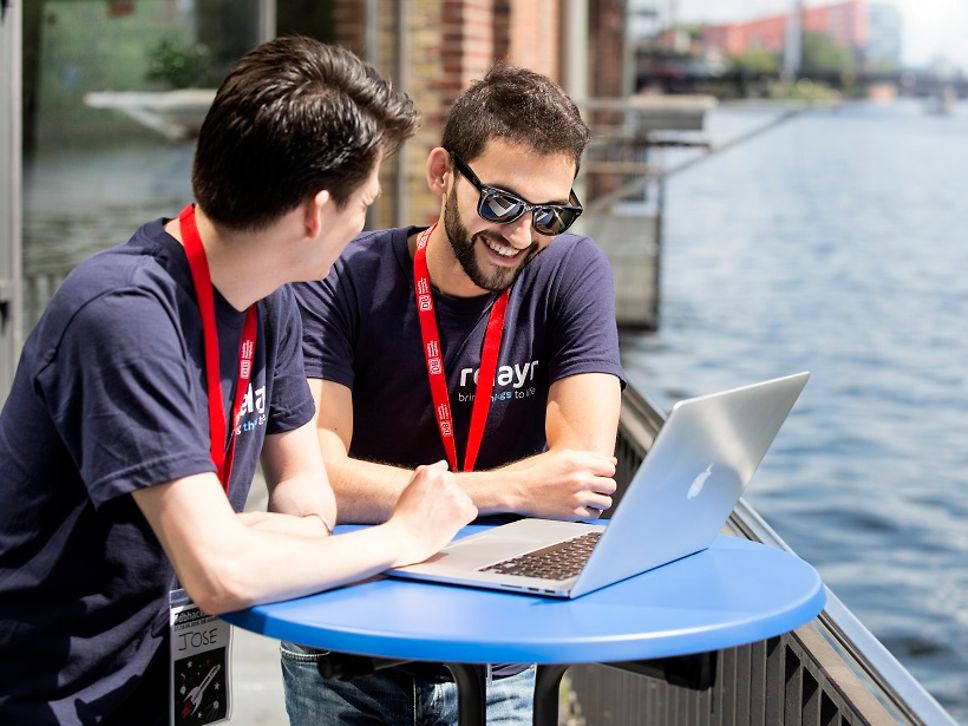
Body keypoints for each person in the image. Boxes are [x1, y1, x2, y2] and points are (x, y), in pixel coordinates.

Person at [0, 36, 476, 724]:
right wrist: (404, 535)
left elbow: (305, 490)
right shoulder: (121, 315)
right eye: (363, 202)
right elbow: (220, 577)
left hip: (155, 677)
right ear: (316, 212)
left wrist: (260, 537)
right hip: (45, 694)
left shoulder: (272, 300)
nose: (365, 220)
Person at [286, 65, 626, 724]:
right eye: (500, 202)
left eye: (550, 214)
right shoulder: (343, 278)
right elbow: (315, 479)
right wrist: (508, 490)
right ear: (442, 173)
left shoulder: (571, 273)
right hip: (350, 644)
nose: (521, 236)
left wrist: (407, 492)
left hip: (498, 644)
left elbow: (580, 475)